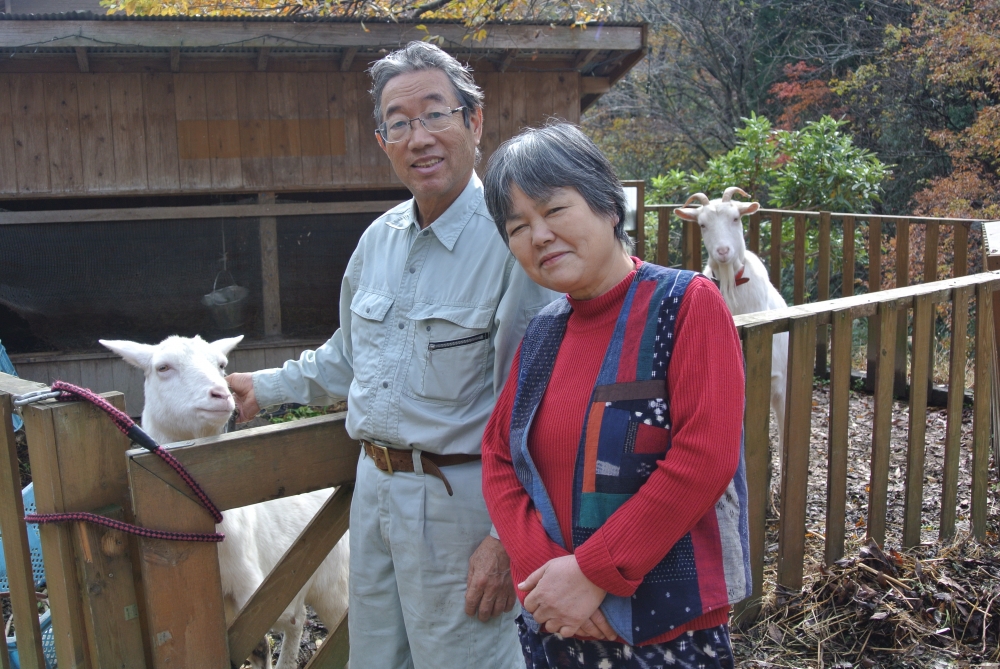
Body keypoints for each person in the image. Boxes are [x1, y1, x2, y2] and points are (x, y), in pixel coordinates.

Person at [226, 42, 557, 669]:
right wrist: (262, 388)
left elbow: (536, 409)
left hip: (463, 505)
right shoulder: (378, 239)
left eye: (435, 114)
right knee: (375, 659)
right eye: (399, 123)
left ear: (474, 121)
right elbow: (348, 359)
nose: (419, 137)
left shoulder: (512, 242)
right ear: (383, 140)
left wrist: (505, 537)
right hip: (373, 494)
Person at [479, 123, 752, 669]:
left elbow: (705, 457)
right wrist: (547, 580)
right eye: (517, 226)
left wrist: (592, 574)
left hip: (669, 632)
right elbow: (500, 459)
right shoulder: (543, 332)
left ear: (608, 206)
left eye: (554, 210)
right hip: (556, 626)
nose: (538, 236)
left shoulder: (686, 303)